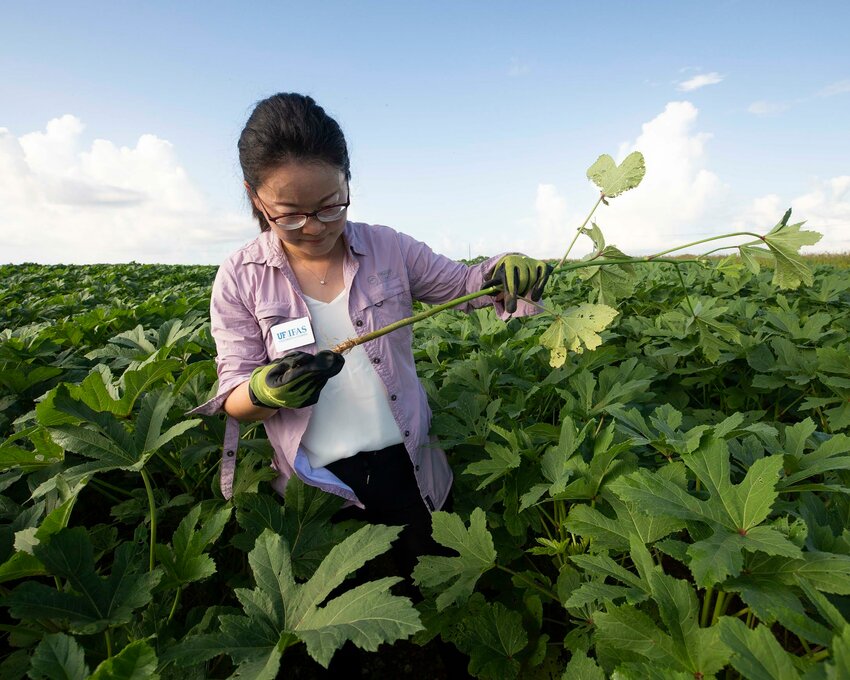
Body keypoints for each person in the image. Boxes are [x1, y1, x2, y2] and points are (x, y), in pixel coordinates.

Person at [192, 90, 550, 594]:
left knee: (427, 593)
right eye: (290, 214)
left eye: (330, 206)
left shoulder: (389, 248)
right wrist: (265, 393)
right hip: (318, 487)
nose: (314, 227)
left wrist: (504, 270)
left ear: (348, 182)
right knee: (345, 613)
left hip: (406, 465)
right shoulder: (240, 277)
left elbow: (464, 286)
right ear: (256, 198)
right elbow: (233, 392)